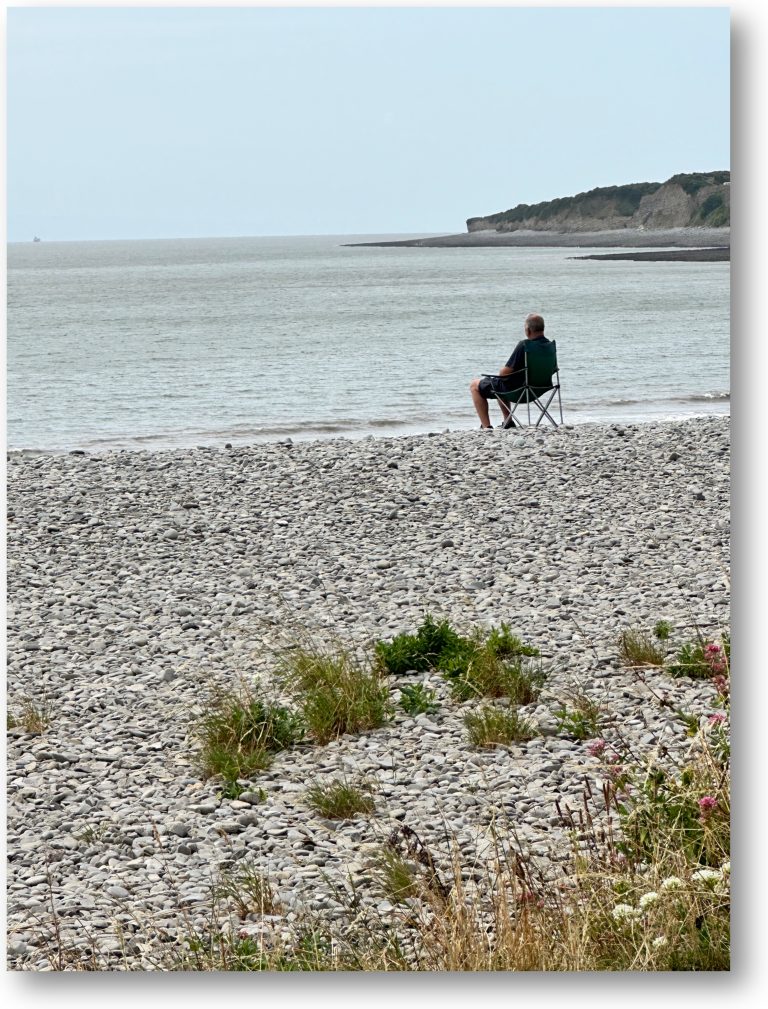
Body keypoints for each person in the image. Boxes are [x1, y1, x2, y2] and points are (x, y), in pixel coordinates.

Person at [469, 313, 552, 429]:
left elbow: (504, 373)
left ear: (528, 330)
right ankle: (508, 422)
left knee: (475, 385)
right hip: (539, 389)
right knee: (502, 382)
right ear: (543, 328)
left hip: (520, 391)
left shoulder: (524, 345)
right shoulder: (549, 346)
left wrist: (502, 370)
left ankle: (486, 426)